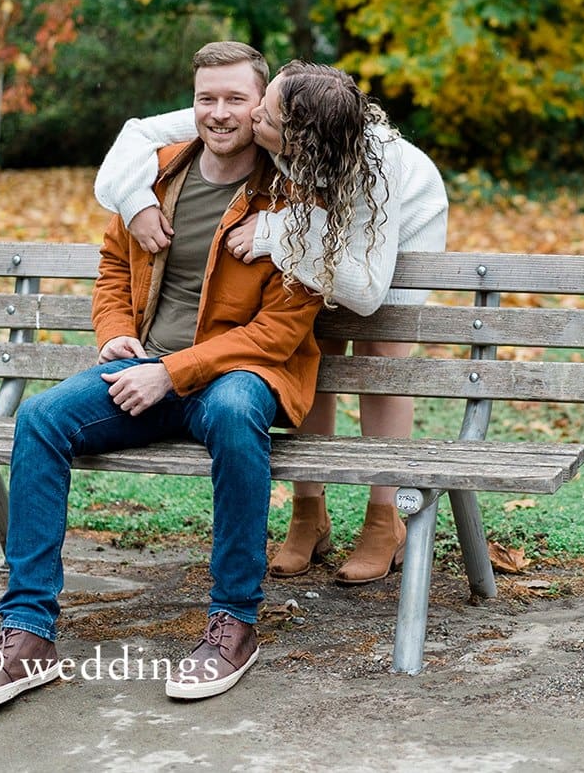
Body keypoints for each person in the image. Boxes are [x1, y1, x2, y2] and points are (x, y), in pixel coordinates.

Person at [0, 42, 323, 715]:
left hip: (239, 374)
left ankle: (233, 623)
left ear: (261, 106)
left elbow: (280, 331)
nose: (219, 111)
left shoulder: (293, 197)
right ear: (193, 101)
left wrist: (170, 372)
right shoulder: (153, 175)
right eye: (208, 97)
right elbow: (113, 266)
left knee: (237, 414)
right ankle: (27, 633)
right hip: (146, 372)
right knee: (40, 418)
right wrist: (114, 332)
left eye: (236, 98)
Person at [94, 61, 448, 585]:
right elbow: (137, 136)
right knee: (310, 340)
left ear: (297, 139)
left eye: (261, 114)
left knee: (379, 352)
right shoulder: (277, 110)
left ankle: (384, 517)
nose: (247, 114)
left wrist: (278, 233)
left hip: (398, 228)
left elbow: (368, 292)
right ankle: (309, 513)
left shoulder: (377, 167)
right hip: (313, 223)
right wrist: (137, 201)